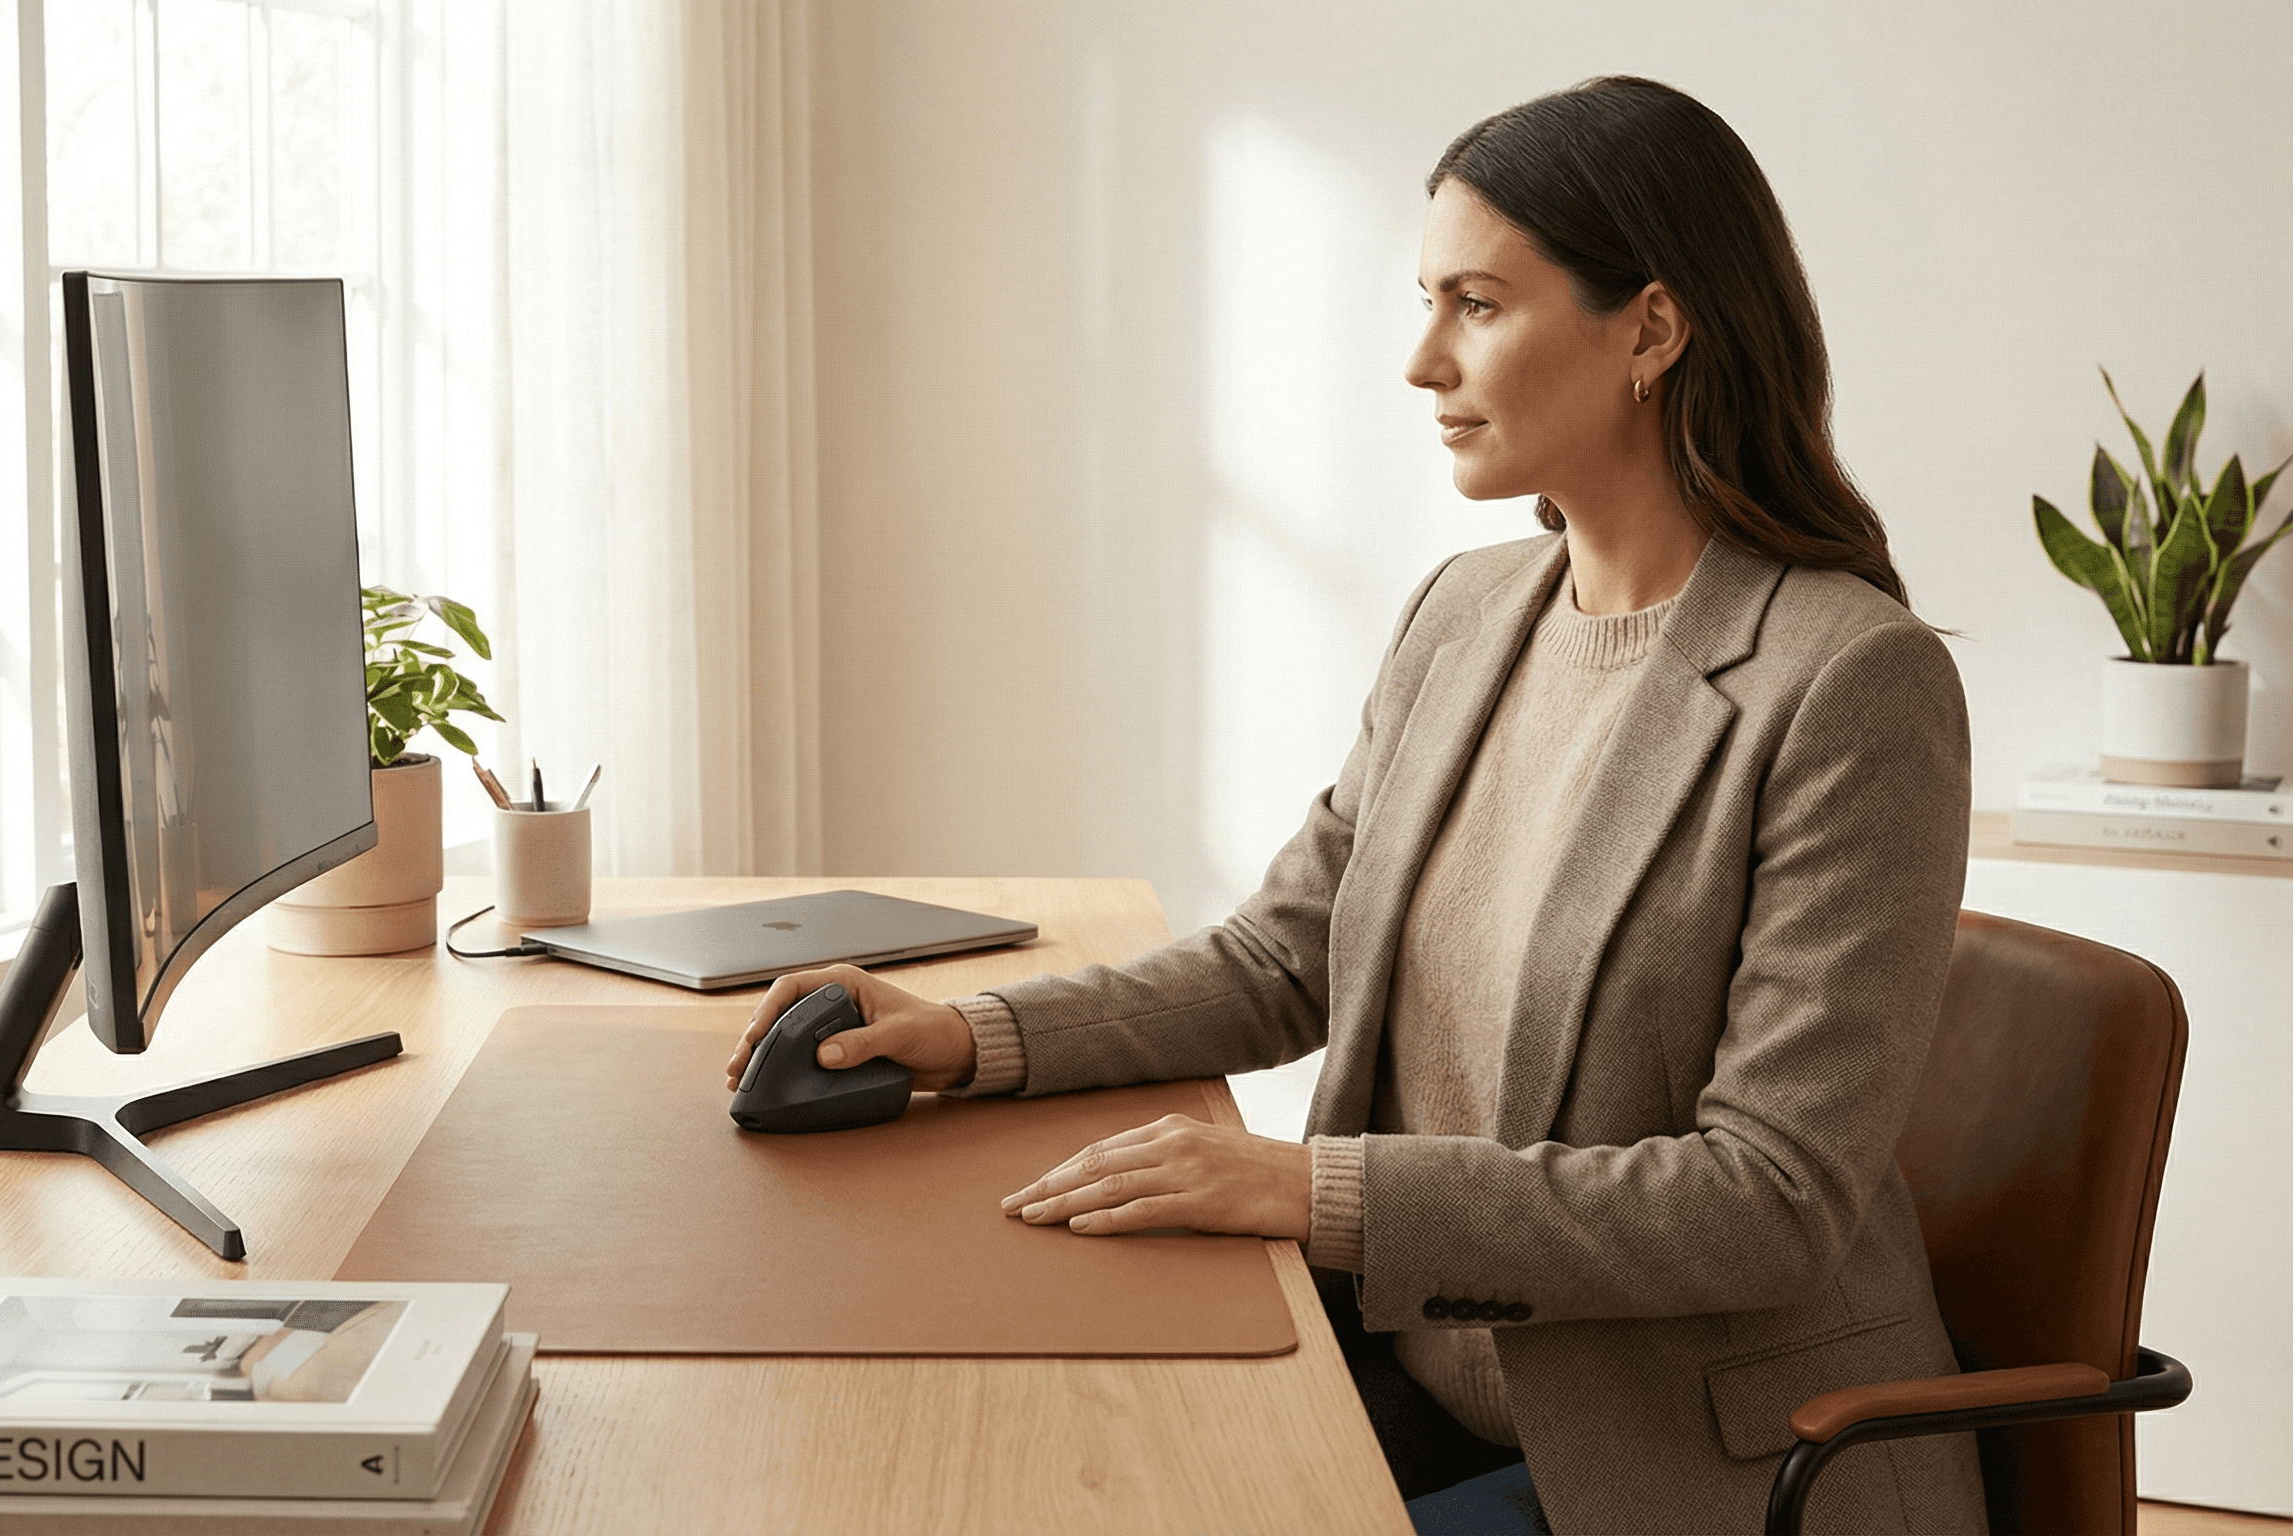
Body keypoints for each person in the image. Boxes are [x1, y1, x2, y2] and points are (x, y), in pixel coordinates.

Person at [726, 76, 1985, 1536]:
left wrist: (1316, 1190)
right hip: (1412, 1381)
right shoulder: (1467, 613)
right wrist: (968, 1037)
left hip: (1678, 1463)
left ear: (1651, 327)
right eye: (1426, 299)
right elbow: (1283, 958)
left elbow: (1766, 1197)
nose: (1420, 361)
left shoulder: (1850, 687)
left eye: (1479, 305)